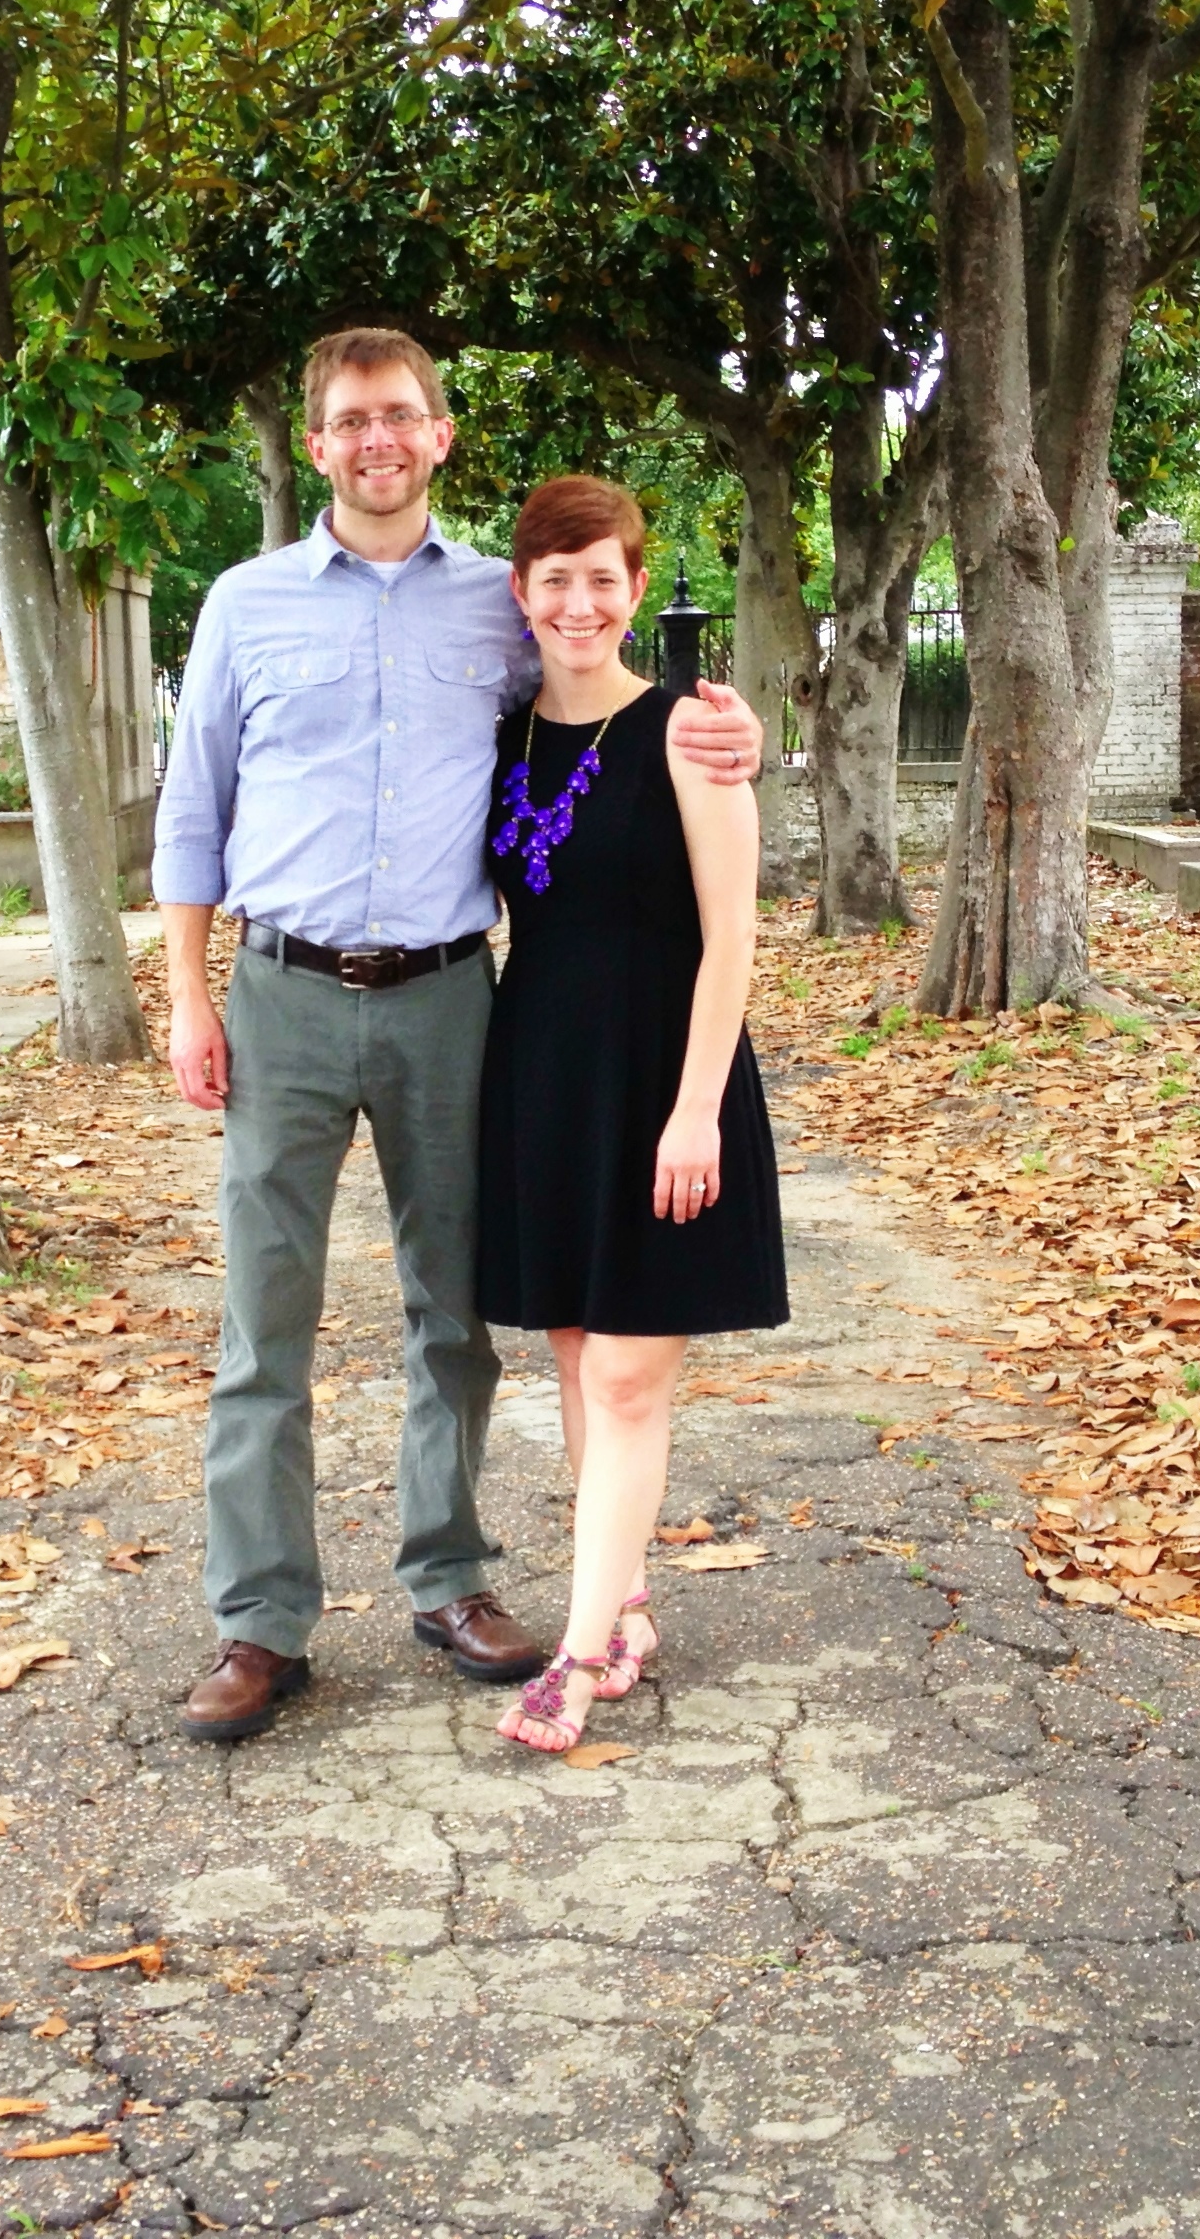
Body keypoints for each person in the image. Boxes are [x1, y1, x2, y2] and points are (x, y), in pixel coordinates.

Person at [152, 329, 767, 1744]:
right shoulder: (244, 604)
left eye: (401, 415)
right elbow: (194, 806)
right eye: (350, 419)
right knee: (266, 1321)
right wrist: (188, 994)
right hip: (284, 993)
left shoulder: (499, 600)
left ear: (439, 435)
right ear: (318, 444)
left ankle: (449, 1579)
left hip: (449, 999)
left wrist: (725, 729)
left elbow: (602, 691)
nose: (376, 438)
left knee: (456, 1313)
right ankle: (261, 1622)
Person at [472, 476, 789, 1753]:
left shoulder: (692, 734)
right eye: (555, 579)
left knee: (623, 1373)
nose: (579, 602)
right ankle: (632, 1601)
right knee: (573, 1357)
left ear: (636, 588)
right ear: (522, 593)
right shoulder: (504, 736)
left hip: (666, 1074)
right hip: (544, 1073)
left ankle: (582, 1650)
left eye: (602, 577)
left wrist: (697, 1108)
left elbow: (734, 939)